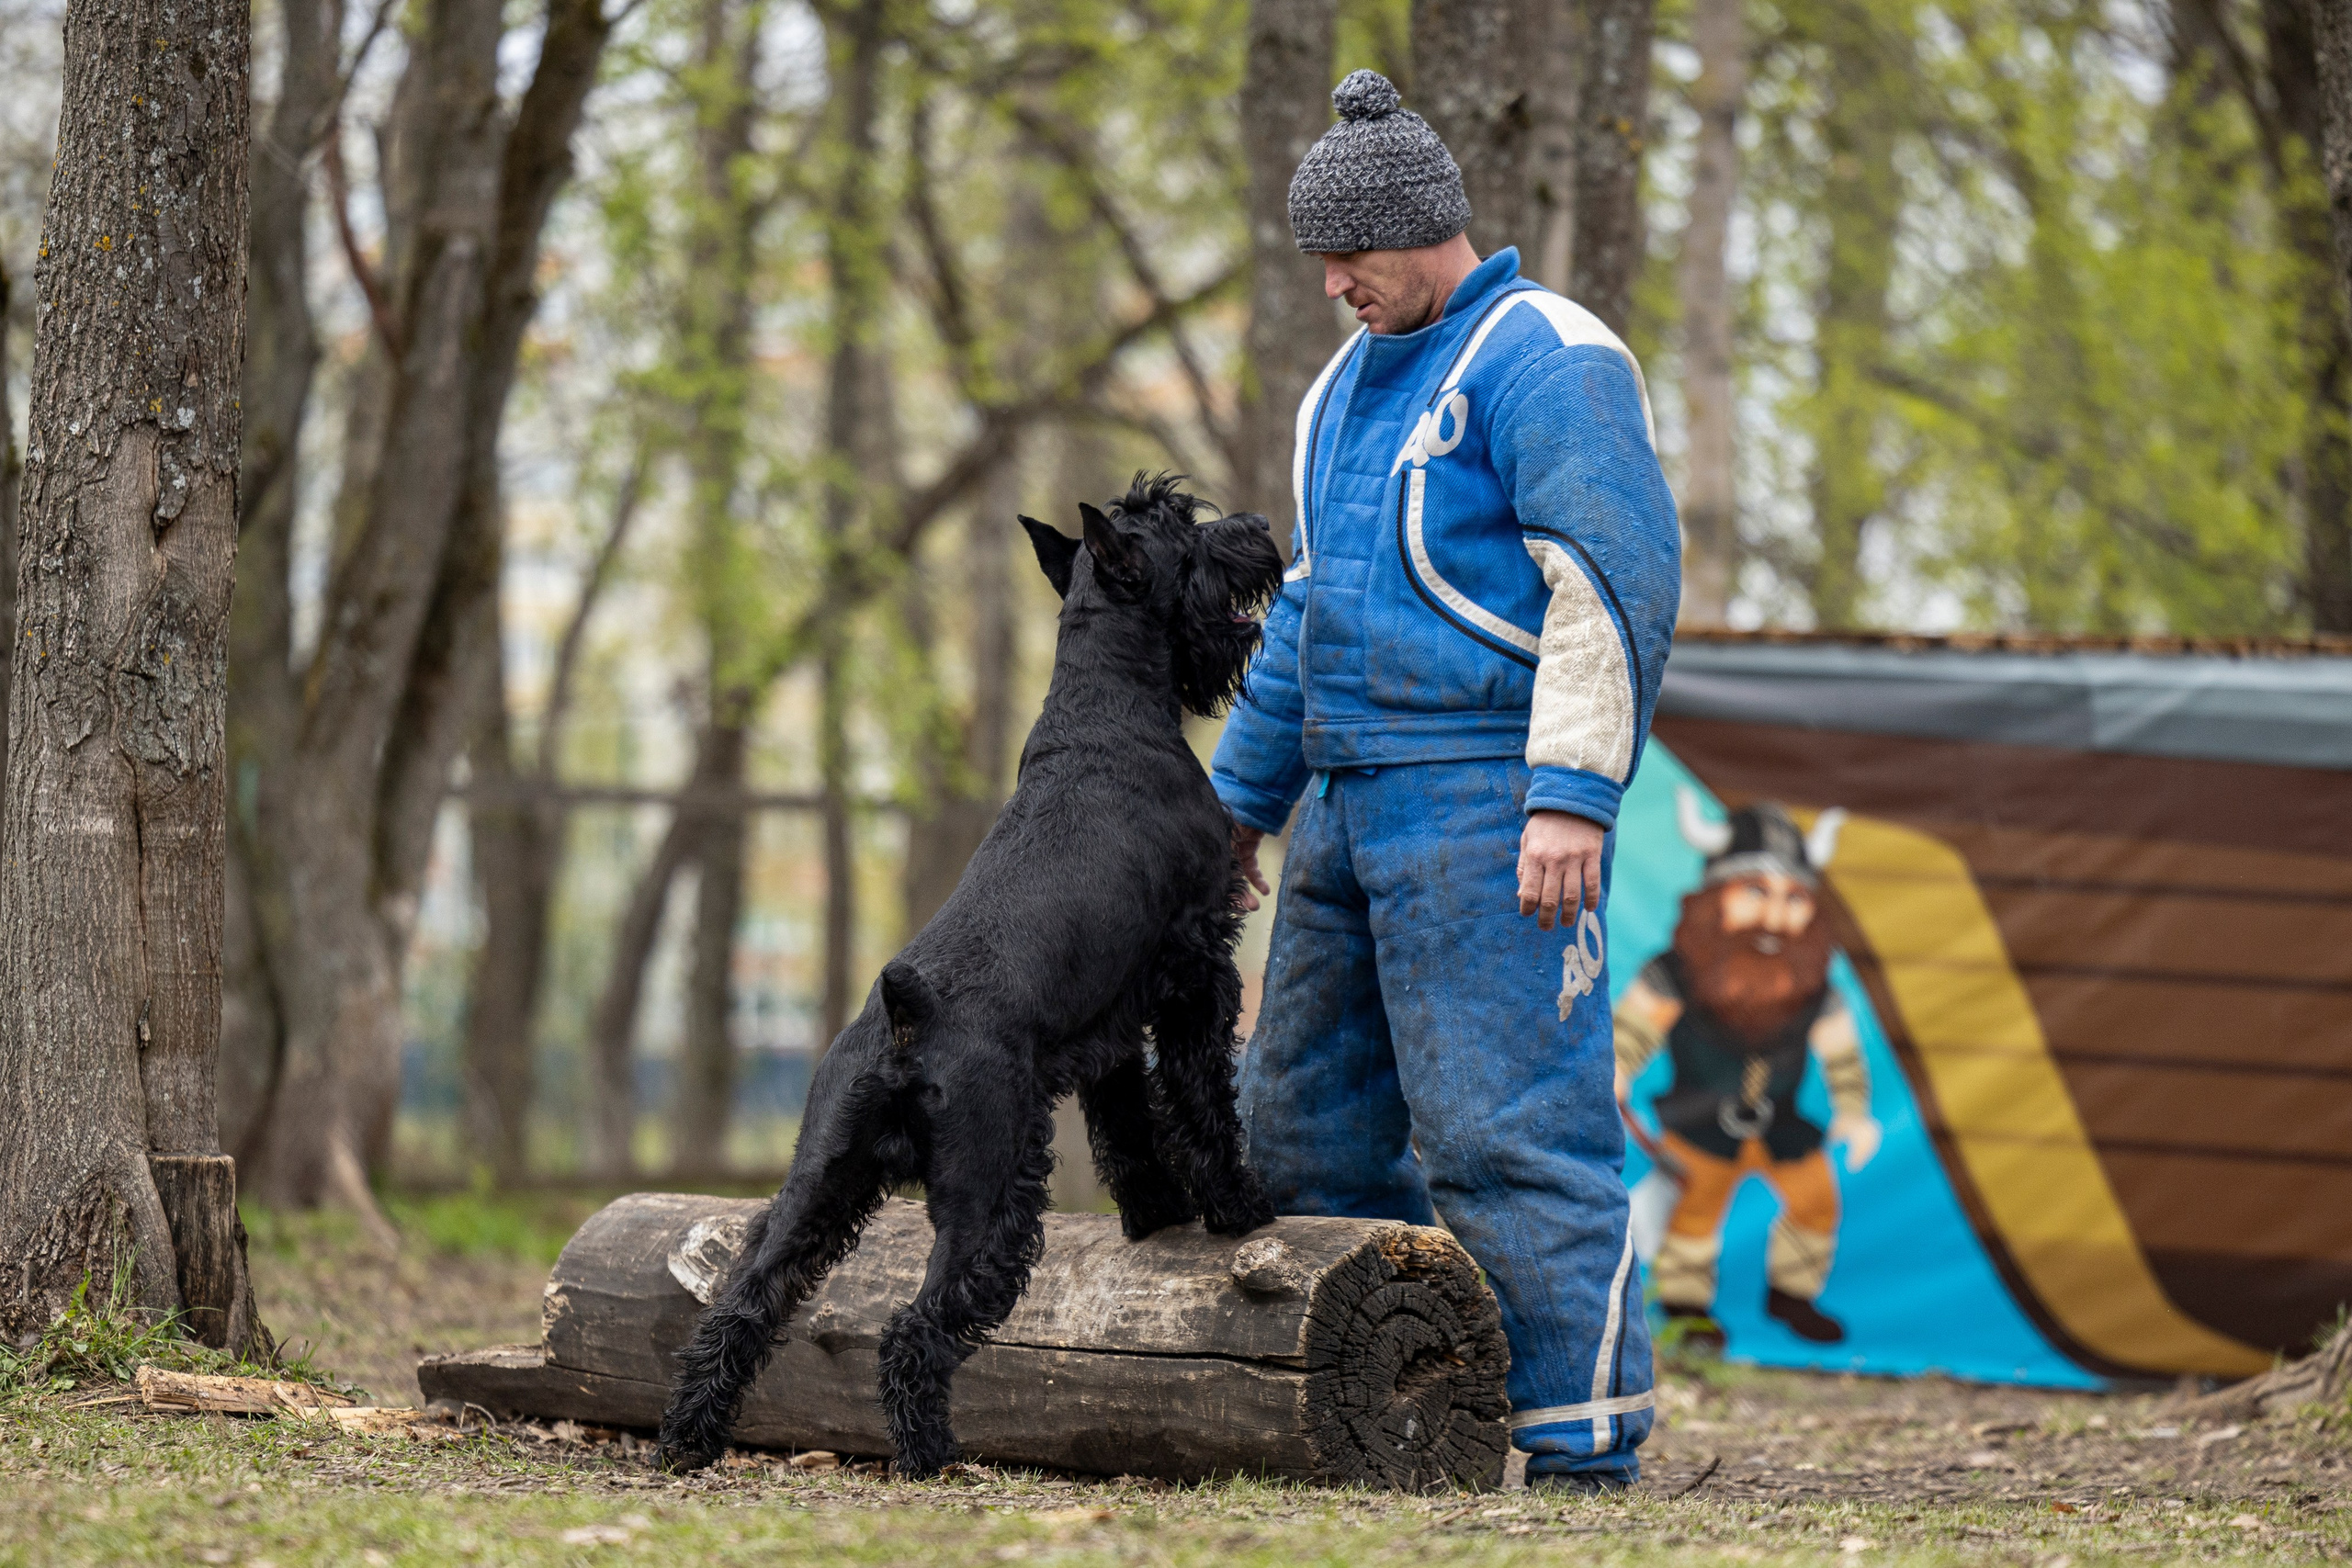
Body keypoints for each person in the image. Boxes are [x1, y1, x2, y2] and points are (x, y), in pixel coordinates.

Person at [1214, 69, 1681, 1491]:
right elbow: (1304, 609)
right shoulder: (1335, 392)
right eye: (1323, 261)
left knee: (1510, 1134)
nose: (1336, 284)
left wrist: (1569, 794)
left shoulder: (1552, 355)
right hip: (1346, 809)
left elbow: (1609, 585)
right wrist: (1238, 803)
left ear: (1426, 228)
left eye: (1352, 256)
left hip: (1492, 808)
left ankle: (1583, 1440)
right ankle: (1391, 1413)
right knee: (1300, 1124)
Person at [1614, 795, 1883, 1350]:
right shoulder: (1675, 974)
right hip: (1700, 1127)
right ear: (1716, 897)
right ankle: (1687, 1311)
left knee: (1816, 1203)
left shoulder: (1813, 989)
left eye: (1794, 897)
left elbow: (1843, 1057)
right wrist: (1613, 1069)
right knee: (1693, 1220)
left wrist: (1854, 1113)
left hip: (1782, 1128)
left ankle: (1792, 1295)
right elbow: (1632, 1033)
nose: (1775, 914)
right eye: (1755, 891)